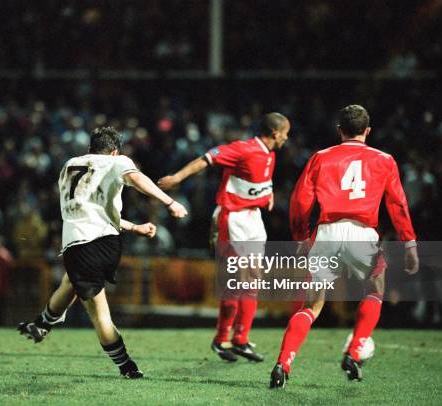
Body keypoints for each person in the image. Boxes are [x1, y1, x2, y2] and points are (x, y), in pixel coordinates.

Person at [18, 127, 187, 379]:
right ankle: (41, 325)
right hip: (103, 243)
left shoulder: (68, 166)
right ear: (115, 150)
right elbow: (136, 182)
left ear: (90, 148)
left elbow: (88, 208)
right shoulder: (116, 161)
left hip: (79, 244)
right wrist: (166, 204)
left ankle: (125, 366)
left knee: (98, 314)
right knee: (71, 283)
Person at [269, 105, 419, 388]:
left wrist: (301, 237)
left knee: (311, 306)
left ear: (340, 131)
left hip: (326, 232)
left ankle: (283, 363)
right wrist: (409, 242)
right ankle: (354, 351)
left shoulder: (320, 157)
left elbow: (301, 201)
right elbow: (397, 203)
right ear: (368, 131)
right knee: (375, 291)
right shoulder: (385, 160)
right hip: (363, 233)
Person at [158, 113, 290, 362]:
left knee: (252, 282)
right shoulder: (243, 149)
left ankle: (240, 339)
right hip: (233, 218)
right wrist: (177, 178)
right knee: (236, 281)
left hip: (253, 219)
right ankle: (221, 338)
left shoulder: (270, 155)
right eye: (285, 132)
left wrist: (267, 195)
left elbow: (258, 183)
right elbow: (208, 158)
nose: (287, 137)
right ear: (275, 132)